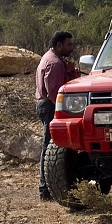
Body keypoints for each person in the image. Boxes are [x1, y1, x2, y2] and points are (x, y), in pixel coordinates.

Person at [35, 31, 80, 201]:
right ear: (59, 45)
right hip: (50, 105)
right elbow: (55, 91)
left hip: (47, 104)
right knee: (49, 147)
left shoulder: (51, 59)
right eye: (69, 44)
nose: (71, 48)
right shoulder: (55, 63)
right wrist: (63, 111)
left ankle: (50, 187)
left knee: (52, 146)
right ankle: (45, 189)